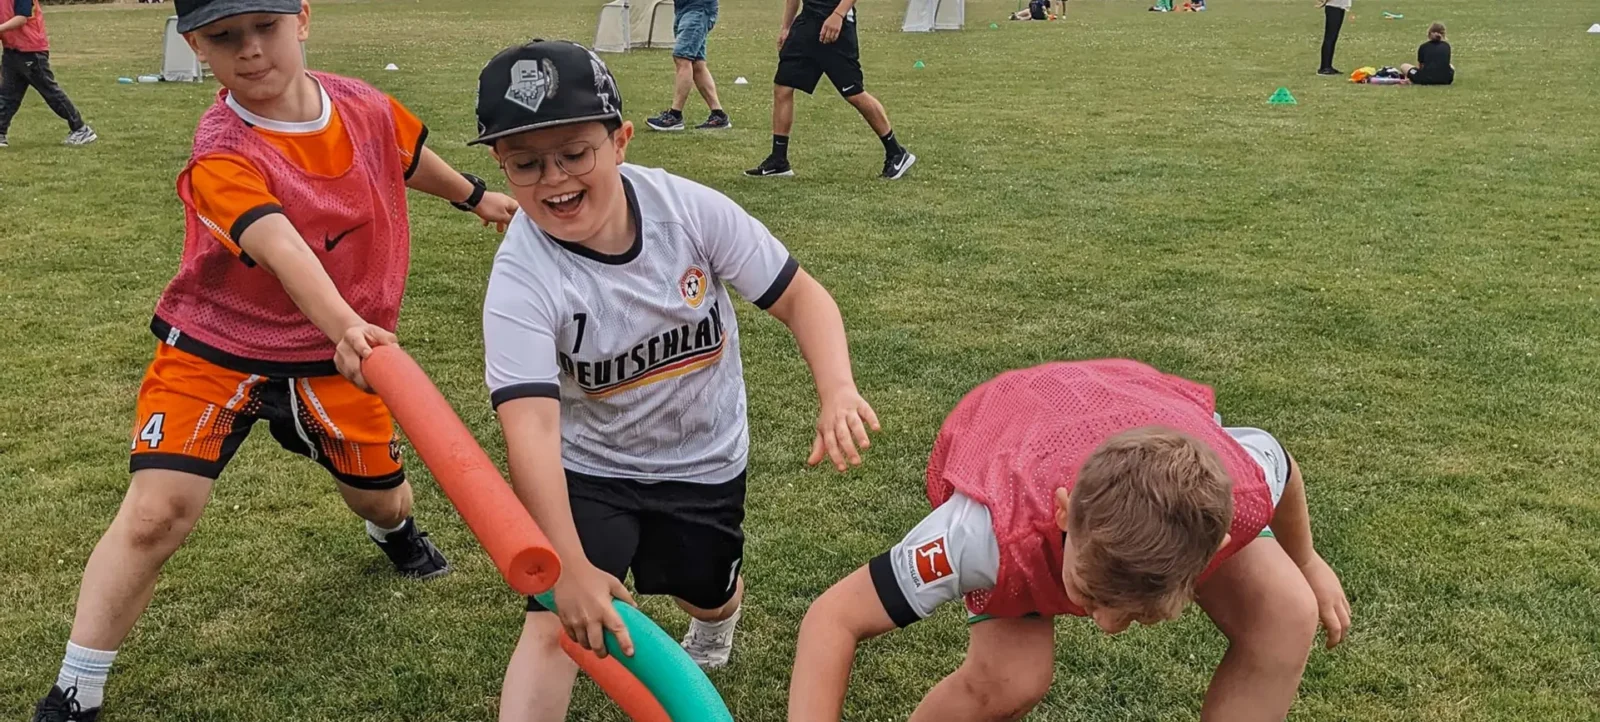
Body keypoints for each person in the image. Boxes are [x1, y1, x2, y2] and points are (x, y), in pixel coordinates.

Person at [29, 2, 520, 720]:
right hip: (218, 348)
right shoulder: (220, 151)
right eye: (225, 38)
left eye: (265, 28)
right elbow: (282, 246)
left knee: (380, 495)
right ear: (195, 45)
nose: (250, 52)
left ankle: (394, 533)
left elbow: (406, 157)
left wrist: (476, 197)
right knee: (155, 513)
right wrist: (348, 326)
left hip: (334, 362)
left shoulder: (365, 105)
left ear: (303, 21)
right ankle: (77, 687)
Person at [469, 40, 879, 721]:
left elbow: (802, 297)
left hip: (701, 458)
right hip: (591, 464)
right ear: (500, 166)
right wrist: (566, 569)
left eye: (575, 152)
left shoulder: (687, 212)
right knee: (552, 622)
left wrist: (837, 389)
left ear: (621, 139)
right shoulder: (521, 278)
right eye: (526, 163)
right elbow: (532, 429)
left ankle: (717, 620)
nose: (554, 179)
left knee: (704, 590)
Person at [788, 359, 1352, 721]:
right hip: (1010, 428)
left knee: (1287, 612)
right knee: (1010, 679)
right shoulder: (982, 532)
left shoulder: (1238, 487)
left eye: (1136, 615)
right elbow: (832, 619)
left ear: (1219, 541)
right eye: (1091, 592)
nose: (1105, 626)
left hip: (1135, 405)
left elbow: (1280, 459)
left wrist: (1309, 562)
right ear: (1063, 514)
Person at [746, 0, 915, 179]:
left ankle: (897, 152)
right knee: (783, 87)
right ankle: (778, 160)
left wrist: (838, 15)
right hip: (807, 24)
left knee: (854, 93)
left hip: (836, 24)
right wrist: (786, 27)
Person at [0, 0, 96, 148]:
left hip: (31, 50)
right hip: (11, 50)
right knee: (7, 95)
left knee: (50, 92)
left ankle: (80, 129)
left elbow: (21, 18)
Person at [644, 0, 730, 131]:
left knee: (682, 57)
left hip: (698, 8)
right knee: (697, 63)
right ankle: (718, 115)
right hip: (684, 8)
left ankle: (674, 116)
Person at [1318, 0, 1351, 76]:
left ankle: (1328, 66)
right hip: (1333, 7)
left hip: (1339, 7)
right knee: (1330, 37)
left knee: (1333, 38)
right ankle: (1325, 67)